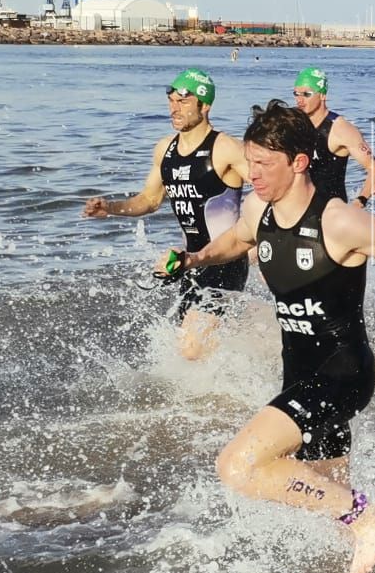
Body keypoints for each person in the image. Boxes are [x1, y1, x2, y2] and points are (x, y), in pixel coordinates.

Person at [168, 99, 375, 573]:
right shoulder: (260, 210)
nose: (252, 174)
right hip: (300, 374)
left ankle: (369, 516)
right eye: (250, 161)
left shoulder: (338, 221)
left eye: (264, 164)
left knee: (237, 465)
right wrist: (194, 258)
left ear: (299, 162)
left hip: (342, 374)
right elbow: (239, 239)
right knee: (325, 494)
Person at [83, 68, 250, 360]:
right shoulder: (165, 150)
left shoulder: (226, 148)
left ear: (205, 105)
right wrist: (110, 208)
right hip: (187, 262)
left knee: (191, 349)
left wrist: (259, 237)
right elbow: (149, 199)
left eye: (183, 102)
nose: (174, 107)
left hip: (225, 260)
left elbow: (269, 190)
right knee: (189, 344)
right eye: (171, 100)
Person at [291, 66, 375, 206]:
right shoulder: (293, 123)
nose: (299, 99)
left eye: (306, 94)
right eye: (296, 94)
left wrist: (361, 200)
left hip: (330, 212)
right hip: (297, 208)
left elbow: (374, 168)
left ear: (323, 95)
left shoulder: (341, 129)